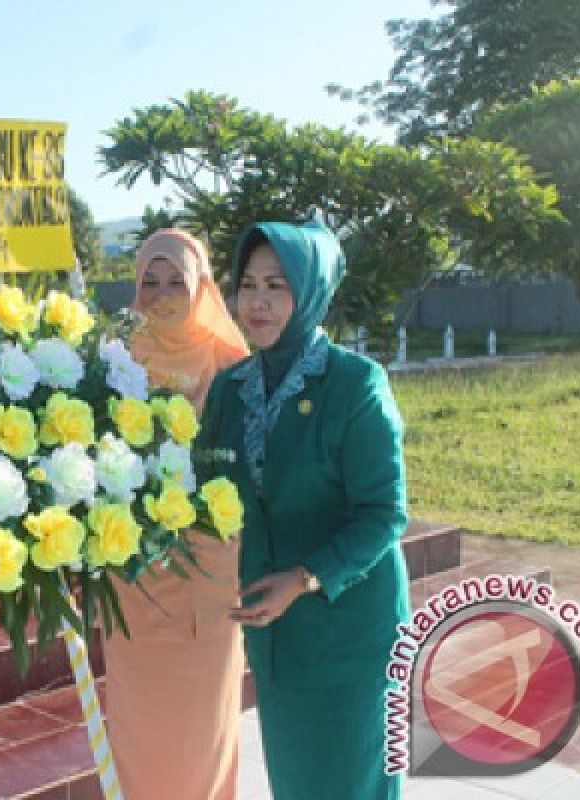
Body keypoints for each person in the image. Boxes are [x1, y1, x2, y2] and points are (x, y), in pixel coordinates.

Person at [198, 220, 410, 799]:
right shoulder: (229, 389)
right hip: (277, 636)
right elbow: (205, 488)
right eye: (248, 284)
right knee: (297, 781)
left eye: (277, 285)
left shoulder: (355, 383)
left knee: (355, 779)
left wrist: (305, 576)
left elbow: (384, 513)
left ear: (312, 291)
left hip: (351, 632)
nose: (258, 302)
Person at [104, 228, 250, 800]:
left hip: (208, 570)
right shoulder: (117, 359)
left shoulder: (230, 362)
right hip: (133, 571)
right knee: (140, 724)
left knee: (203, 724)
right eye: (150, 281)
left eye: (176, 282)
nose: (162, 295)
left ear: (202, 288)